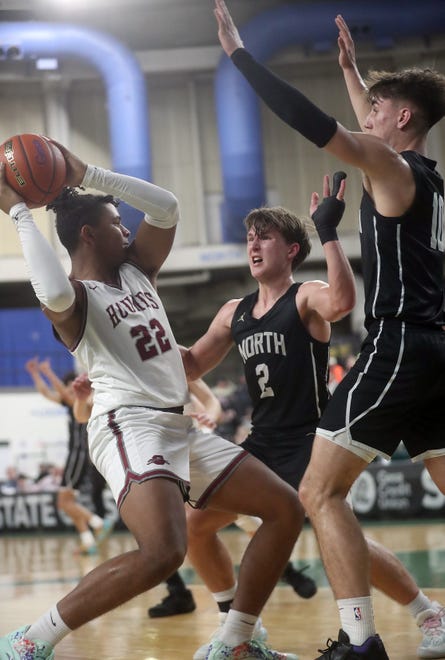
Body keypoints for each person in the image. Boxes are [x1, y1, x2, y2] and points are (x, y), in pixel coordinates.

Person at [0, 142, 303, 660]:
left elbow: (167, 207)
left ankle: (235, 643)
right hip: (129, 426)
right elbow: (49, 292)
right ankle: (32, 641)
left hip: (177, 425)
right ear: (90, 235)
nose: (127, 229)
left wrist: (90, 172)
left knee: (284, 509)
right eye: (117, 224)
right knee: (163, 552)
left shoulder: (138, 270)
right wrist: (18, 212)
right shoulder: (76, 300)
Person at [213, 2, 445, 658]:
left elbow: (319, 126)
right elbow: (372, 127)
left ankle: (359, 641)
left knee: (318, 491)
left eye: (375, 110)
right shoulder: (427, 179)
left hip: (397, 345)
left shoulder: (391, 168)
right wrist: (351, 72)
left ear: (401, 119)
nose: (363, 117)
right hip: (436, 349)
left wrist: (240, 58)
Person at [182, 172, 356, 659]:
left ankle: (425, 610)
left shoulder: (305, 295)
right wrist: (136, 338)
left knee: (338, 542)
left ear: (291, 251)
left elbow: (342, 303)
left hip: (308, 441)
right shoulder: (234, 311)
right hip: (260, 442)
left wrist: (329, 233)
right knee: (193, 524)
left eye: (265, 238)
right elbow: (191, 363)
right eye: (250, 238)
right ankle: (238, 631)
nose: (253, 245)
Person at [148, 376, 222, 618]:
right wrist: (83, 400)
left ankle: (287, 570)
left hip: (196, 451)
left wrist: (208, 422)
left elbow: (210, 402)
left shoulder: (174, 359)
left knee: (243, 513)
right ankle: (178, 591)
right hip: (161, 458)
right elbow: (81, 413)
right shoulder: (120, 370)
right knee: (154, 530)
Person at [25, 357, 111, 554]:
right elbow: (46, 393)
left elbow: (64, 393)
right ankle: (88, 542)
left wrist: (47, 373)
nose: (70, 392)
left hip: (79, 455)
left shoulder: (87, 402)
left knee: (64, 502)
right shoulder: (70, 403)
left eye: (73, 389)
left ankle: (97, 523)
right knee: (68, 503)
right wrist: (35, 374)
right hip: (74, 456)